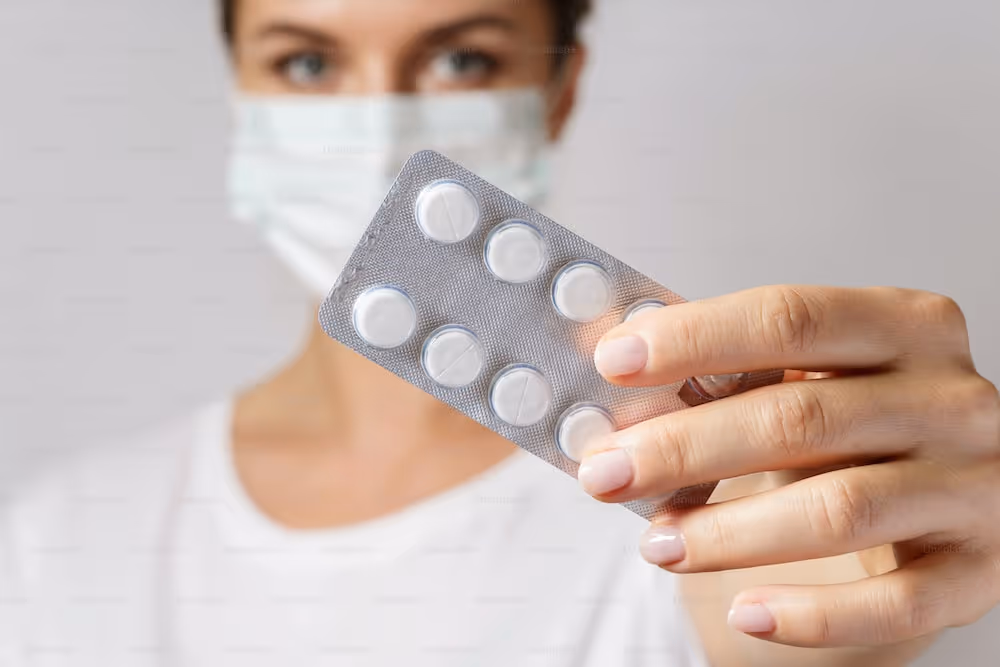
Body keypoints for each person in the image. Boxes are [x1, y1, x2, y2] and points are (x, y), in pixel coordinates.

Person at [1, 1, 998, 665]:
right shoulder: (64, 538)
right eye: (306, 61)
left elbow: (810, 594)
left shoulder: (699, 496)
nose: (383, 122)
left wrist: (891, 528)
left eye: (462, 57)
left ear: (557, 92)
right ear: (240, 98)